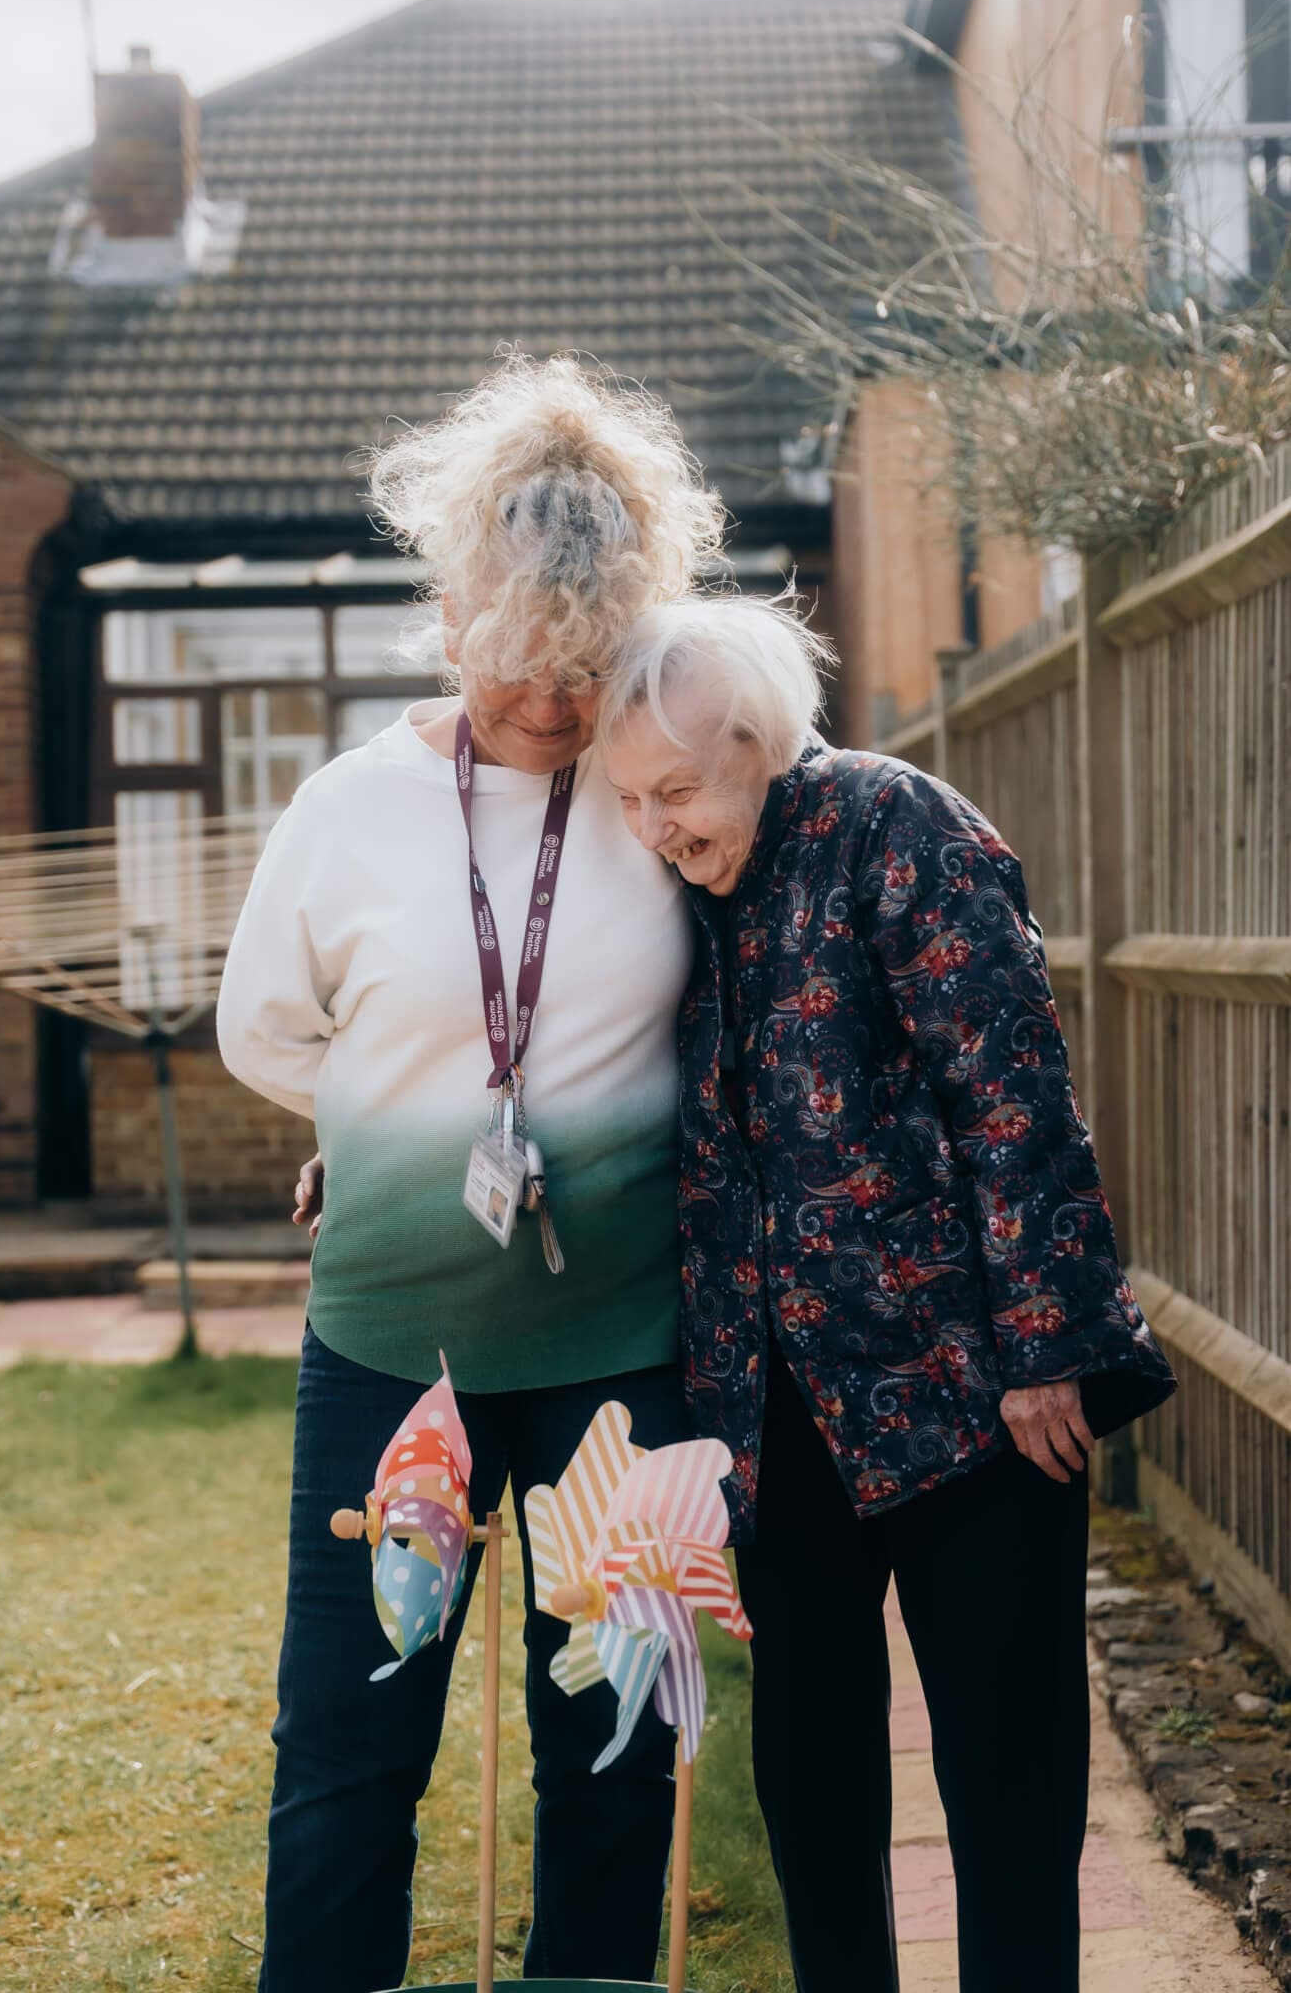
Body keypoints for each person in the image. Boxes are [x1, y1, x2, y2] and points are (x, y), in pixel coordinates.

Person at [216, 352, 725, 1993]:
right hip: (390, 1352)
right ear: (451, 618)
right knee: (351, 1750)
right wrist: (369, 1133)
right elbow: (266, 1031)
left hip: (622, 1361)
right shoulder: (349, 809)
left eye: (586, 671)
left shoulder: (656, 793)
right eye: (519, 670)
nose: (554, 711)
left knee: (607, 1759)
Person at [594, 593, 1177, 1993]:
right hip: (770, 1405)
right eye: (627, 801)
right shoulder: (685, 891)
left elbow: (1012, 1093)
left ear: (758, 738)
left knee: (1008, 1773)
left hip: (967, 1392)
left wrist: (1044, 1348)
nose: (655, 827)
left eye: (675, 790)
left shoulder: (895, 826)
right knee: (810, 1774)